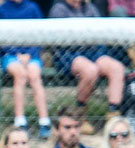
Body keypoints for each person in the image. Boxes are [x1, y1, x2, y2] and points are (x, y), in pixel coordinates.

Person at [48, 0, 127, 135]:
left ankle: (113, 115)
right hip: (69, 55)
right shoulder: (59, 9)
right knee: (90, 70)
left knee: (117, 67)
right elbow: (63, 40)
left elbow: (99, 32)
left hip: (93, 52)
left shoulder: (89, 7)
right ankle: (80, 115)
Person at [0, 0, 51, 138]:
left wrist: (29, 54)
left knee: (34, 75)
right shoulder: (1, 10)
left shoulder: (33, 7)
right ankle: (20, 120)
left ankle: (44, 121)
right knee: (21, 74)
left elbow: (40, 35)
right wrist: (16, 53)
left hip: (31, 55)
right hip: (10, 56)